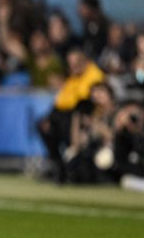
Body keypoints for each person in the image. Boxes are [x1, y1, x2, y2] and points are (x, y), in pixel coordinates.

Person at [37, 49, 106, 183]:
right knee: (45, 125)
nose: (73, 67)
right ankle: (58, 165)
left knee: (65, 123)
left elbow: (83, 101)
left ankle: (67, 168)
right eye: (71, 64)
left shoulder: (94, 75)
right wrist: (49, 118)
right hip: (68, 115)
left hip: (86, 116)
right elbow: (61, 101)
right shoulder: (74, 78)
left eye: (76, 63)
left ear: (85, 61)